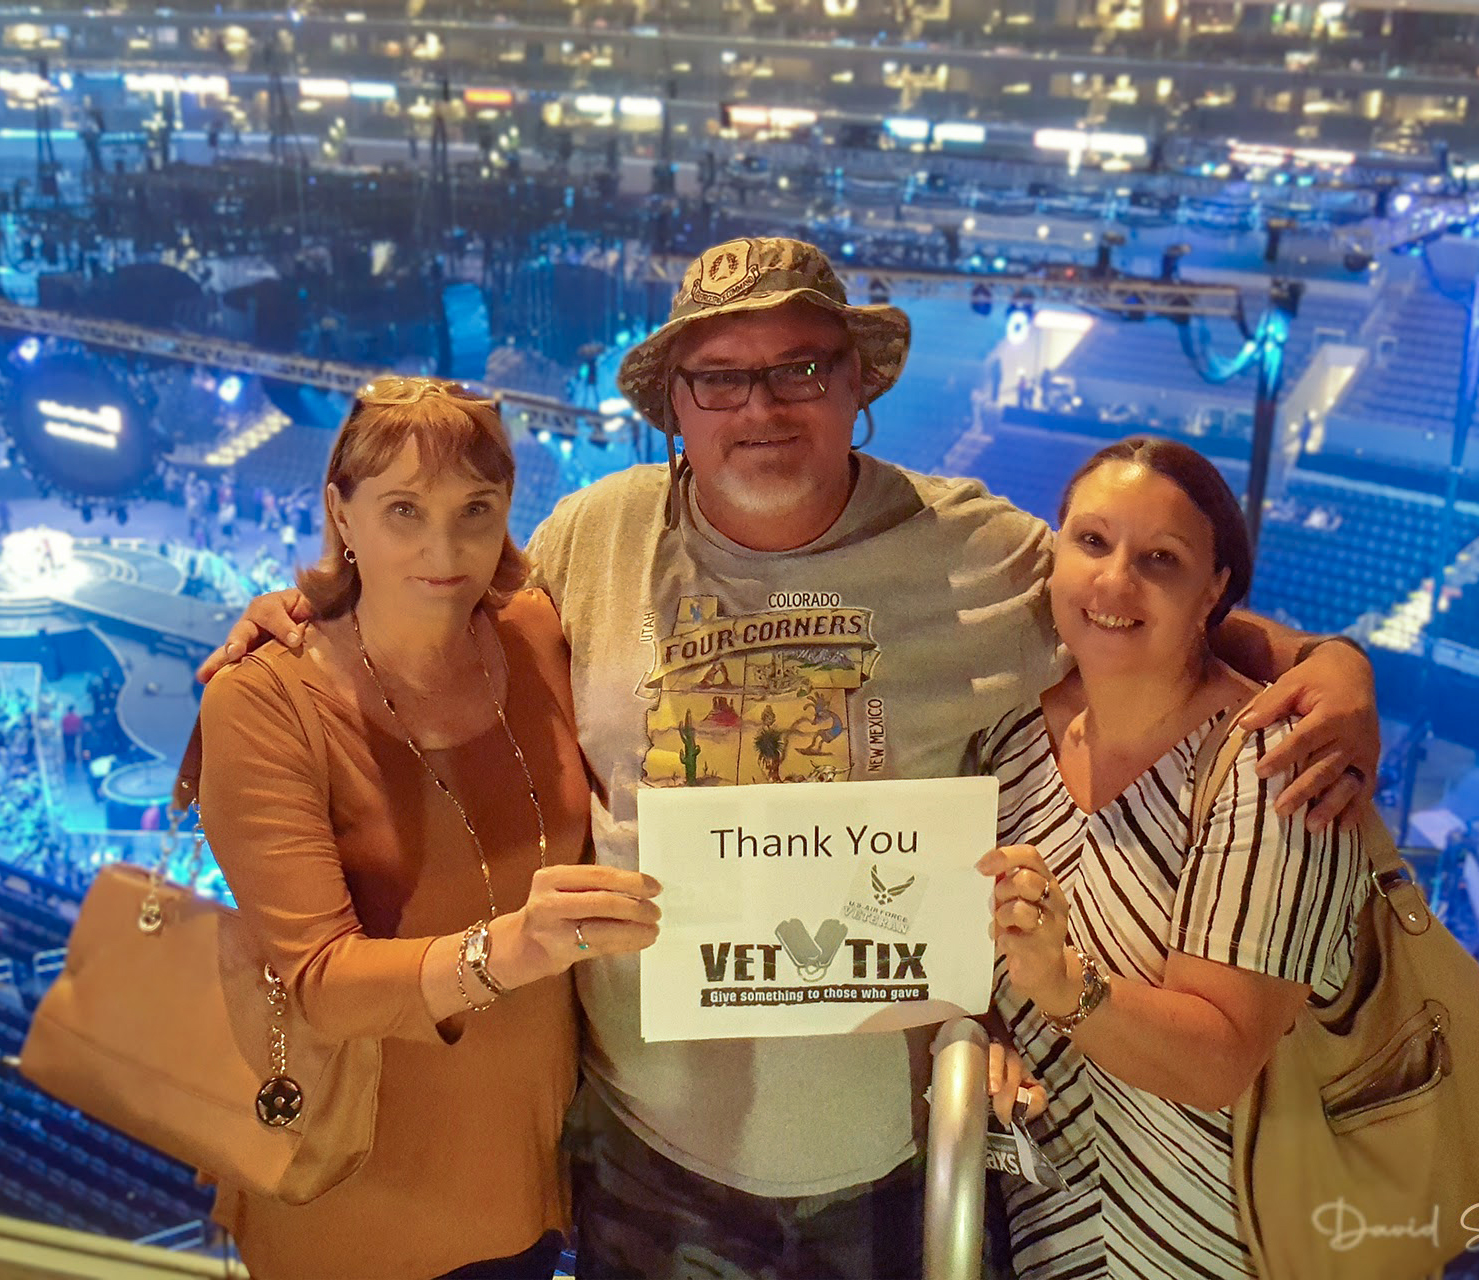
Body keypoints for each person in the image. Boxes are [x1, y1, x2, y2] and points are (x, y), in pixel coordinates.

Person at [199, 238, 1381, 1278]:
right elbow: (429, 597)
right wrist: (300, 612)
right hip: (643, 1155)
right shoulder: (591, 537)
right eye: (720, 377)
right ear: (676, 405)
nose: (760, 406)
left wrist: (1329, 663)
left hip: (891, 1162)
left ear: (857, 381)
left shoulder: (976, 548)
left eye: (800, 367)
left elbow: (1140, 595)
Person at [197, 376, 662, 1280]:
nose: (443, 549)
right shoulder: (264, 698)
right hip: (364, 1193)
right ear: (341, 512)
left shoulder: (533, 633)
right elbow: (321, 982)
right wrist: (511, 950)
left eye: (475, 509)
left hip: (530, 1173)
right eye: (403, 509)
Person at [975, 438, 1370, 1279]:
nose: (1114, 583)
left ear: (1214, 590)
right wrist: (984, 1032)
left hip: (1211, 1242)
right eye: (1092, 542)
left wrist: (1059, 985)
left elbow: (1221, 1057)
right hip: (1041, 1230)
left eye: (1160, 560)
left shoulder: (1272, 766)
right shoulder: (1009, 737)